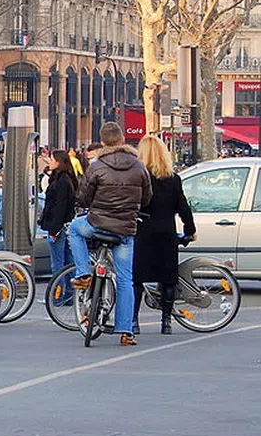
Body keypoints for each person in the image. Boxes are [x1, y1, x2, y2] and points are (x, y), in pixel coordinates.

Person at [69, 122, 151, 347]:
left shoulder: (97, 166)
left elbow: (83, 196)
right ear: (123, 140)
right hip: (124, 228)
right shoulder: (138, 166)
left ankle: (83, 272)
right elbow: (146, 198)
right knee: (125, 280)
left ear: (103, 142)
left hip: (97, 224)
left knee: (74, 229)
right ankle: (126, 331)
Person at [133, 136, 196, 335]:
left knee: (137, 279)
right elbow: (183, 207)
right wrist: (190, 230)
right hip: (166, 232)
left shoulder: (139, 178)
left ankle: (134, 320)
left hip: (142, 232)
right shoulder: (173, 179)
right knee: (168, 278)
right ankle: (166, 321)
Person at [38, 150, 78, 305]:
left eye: (52, 159)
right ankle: (68, 296)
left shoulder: (61, 181)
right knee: (68, 262)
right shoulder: (66, 178)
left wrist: (54, 229)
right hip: (66, 224)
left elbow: (59, 207)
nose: (50, 161)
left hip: (58, 226)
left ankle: (57, 297)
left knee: (57, 264)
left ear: (59, 162)